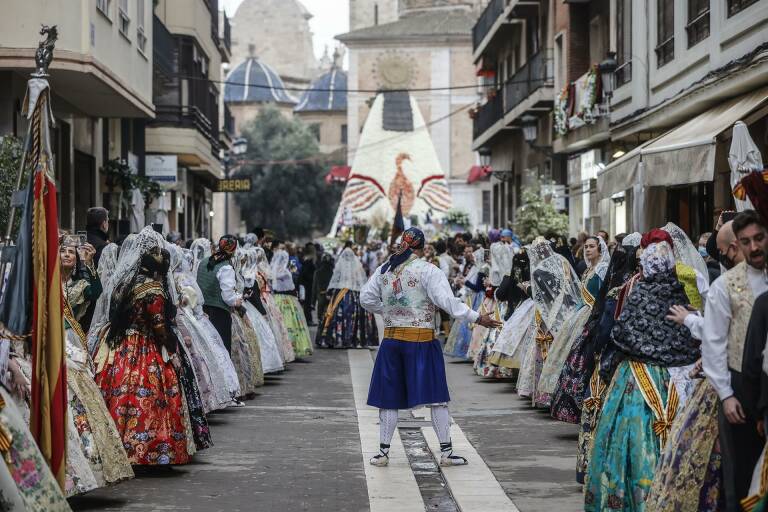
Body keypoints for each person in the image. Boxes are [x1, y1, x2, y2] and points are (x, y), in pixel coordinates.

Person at [361, 227, 501, 467]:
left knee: (389, 399)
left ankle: (383, 453)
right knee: (436, 398)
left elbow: (366, 299)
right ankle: (446, 452)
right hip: (421, 341)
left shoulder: (383, 271)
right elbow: (448, 303)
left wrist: (388, 310)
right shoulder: (428, 270)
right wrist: (478, 317)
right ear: (422, 247)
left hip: (392, 340)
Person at [584, 230, 700, 511]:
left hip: (636, 377)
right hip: (678, 377)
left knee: (628, 443)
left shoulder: (637, 292)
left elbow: (621, 334)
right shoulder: (681, 291)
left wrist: (606, 367)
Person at [94, 227, 191, 465]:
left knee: (117, 393)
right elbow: (158, 325)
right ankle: (147, 451)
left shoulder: (124, 282)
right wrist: (173, 350)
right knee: (152, 396)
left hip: (120, 346)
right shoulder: (153, 289)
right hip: (145, 348)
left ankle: (118, 448)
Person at [699, 210, 766, 511]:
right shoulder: (724, 286)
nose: (754, 247)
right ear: (736, 245)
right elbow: (713, 344)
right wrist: (726, 394)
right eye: (746, 241)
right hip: (740, 385)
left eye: (759, 238)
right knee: (741, 472)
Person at [316, 247, 379, 349]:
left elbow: (335, 278)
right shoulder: (357, 265)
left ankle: (337, 338)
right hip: (355, 293)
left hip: (340, 292)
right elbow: (361, 280)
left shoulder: (340, 264)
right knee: (356, 315)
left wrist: (330, 291)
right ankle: (355, 339)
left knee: (338, 314)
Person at [196, 236, 241, 354]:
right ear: (233, 250)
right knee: (221, 347)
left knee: (208, 347)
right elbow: (228, 297)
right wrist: (237, 300)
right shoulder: (226, 267)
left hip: (202, 311)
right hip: (219, 313)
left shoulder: (204, 261)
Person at [271, 248, 313, 357]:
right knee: (291, 324)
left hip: (276, 298)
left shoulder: (272, 271)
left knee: (279, 324)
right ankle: (293, 349)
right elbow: (292, 285)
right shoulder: (285, 272)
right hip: (287, 299)